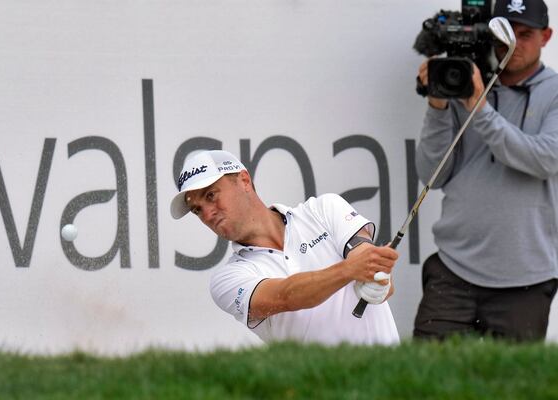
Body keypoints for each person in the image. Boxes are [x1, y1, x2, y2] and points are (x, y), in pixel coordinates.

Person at [413, 0, 558, 341]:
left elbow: (544, 159)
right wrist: (437, 103)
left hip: (525, 279)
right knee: (426, 383)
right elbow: (432, 174)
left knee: (512, 393)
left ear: (546, 36)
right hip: (453, 269)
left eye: (525, 34)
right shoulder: (464, 83)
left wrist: (480, 111)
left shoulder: (554, 91)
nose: (514, 44)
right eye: (505, 33)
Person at [170, 150, 400, 345]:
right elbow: (286, 297)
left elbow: (365, 257)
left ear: (244, 180)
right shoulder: (227, 279)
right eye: (197, 209)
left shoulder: (323, 209)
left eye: (211, 195)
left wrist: (378, 278)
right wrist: (352, 269)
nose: (207, 214)